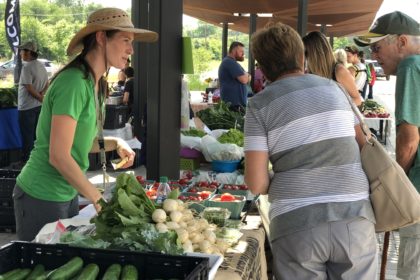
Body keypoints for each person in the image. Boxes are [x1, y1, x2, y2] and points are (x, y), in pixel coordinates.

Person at [13, 7, 158, 241]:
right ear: (101, 37)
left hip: (67, 191)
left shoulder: (97, 84)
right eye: (125, 40)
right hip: (41, 194)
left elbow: (79, 144)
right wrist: (97, 198)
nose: (131, 49)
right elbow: (59, 156)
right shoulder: (73, 83)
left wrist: (115, 142)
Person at [245, 22, 377, 279]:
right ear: (301, 56)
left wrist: (291, 181)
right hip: (354, 216)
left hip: (296, 223)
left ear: (261, 66)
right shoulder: (337, 89)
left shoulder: (259, 105)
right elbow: (363, 145)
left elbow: (256, 182)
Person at [355, 11, 420, 280]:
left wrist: (396, 184)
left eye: (377, 47)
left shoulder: (411, 65)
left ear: (401, 42)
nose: (374, 56)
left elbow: (409, 138)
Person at [303, 31, 362, 106]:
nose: (304, 57)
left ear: (316, 54)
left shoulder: (339, 71)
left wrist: (334, 107)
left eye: (305, 53)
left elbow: (357, 99)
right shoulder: (308, 72)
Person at [17, 41, 49, 163]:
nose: (20, 53)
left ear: (29, 52)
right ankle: (36, 162)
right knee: (36, 137)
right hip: (38, 107)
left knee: (27, 137)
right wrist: (41, 94)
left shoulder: (27, 67)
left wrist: (40, 97)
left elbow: (29, 88)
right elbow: (47, 84)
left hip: (26, 108)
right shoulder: (41, 66)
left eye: (22, 51)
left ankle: (26, 164)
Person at [218, 41, 251, 112]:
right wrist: (247, 75)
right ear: (234, 51)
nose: (243, 54)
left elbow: (246, 78)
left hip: (235, 104)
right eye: (241, 51)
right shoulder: (230, 62)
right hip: (234, 105)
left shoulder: (231, 62)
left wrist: (246, 75)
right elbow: (244, 80)